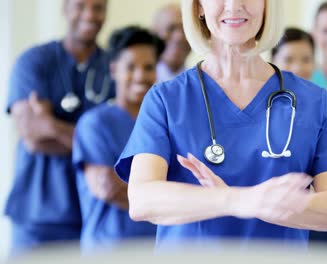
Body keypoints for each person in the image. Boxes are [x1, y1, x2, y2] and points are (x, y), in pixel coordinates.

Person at [114, 0, 327, 249]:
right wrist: (238, 200)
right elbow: (142, 200)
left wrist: (254, 204)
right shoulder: (166, 99)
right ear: (198, 7)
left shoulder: (312, 101)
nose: (234, 5)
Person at [4, 0, 113, 255]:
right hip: (37, 215)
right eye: (80, 5)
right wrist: (94, 144)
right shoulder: (34, 61)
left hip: (93, 212)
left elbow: (118, 144)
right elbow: (32, 136)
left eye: (98, 7)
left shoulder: (115, 67)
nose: (89, 14)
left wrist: (51, 124)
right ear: (64, 9)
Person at [73, 26, 164, 253]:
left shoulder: (163, 123)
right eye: (130, 67)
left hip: (156, 249)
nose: (141, 76)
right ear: (114, 69)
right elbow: (108, 189)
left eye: (148, 67)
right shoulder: (95, 124)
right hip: (108, 250)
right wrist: (169, 194)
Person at [272, 27, 327, 244]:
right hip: (274, 229)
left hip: (321, 231)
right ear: (272, 61)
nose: (298, 67)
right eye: (289, 59)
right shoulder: (262, 113)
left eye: (306, 59)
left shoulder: (326, 111)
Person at [150, 4, 191, 82]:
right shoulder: (142, 83)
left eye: (184, 29)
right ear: (154, 34)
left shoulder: (199, 83)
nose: (179, 37)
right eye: (171, 28)